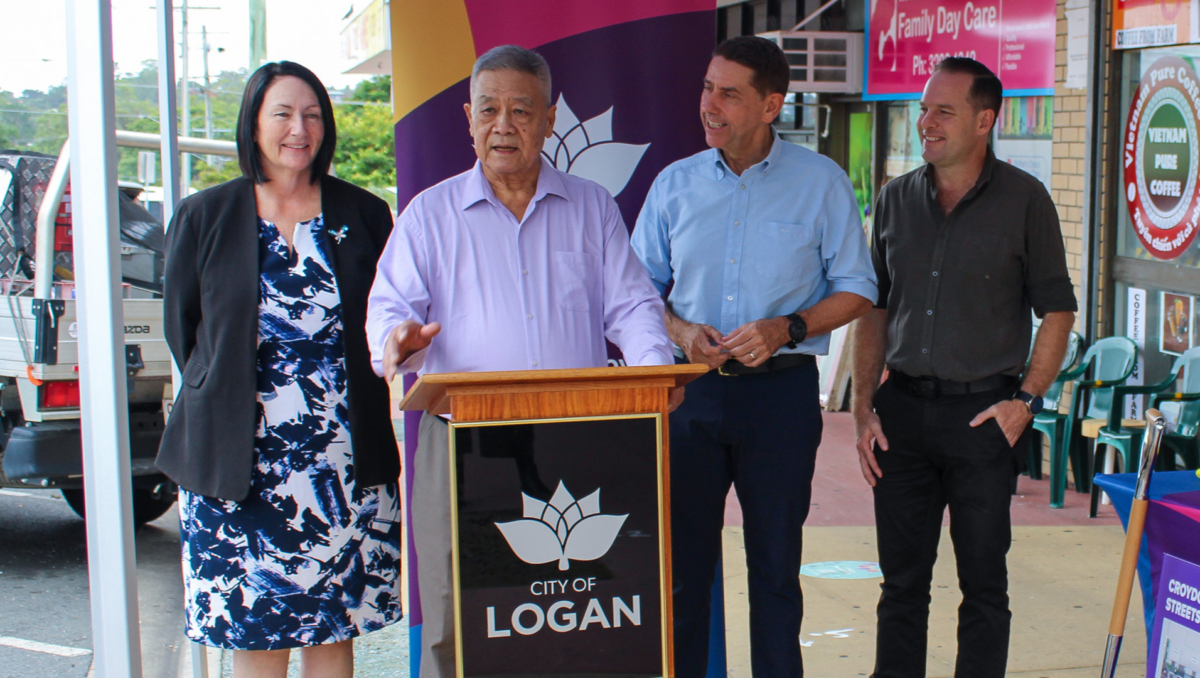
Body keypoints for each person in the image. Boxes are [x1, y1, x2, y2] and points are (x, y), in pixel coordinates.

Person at [365, 45, 676, 678]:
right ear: (468, 118)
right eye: (489, 110)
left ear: (551, 117)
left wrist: (652, 371)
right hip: (462, 444)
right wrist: (396, 343)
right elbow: (389, 311)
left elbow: (634, 306)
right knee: (457, 613)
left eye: (520, 110)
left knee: (574, 604)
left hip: (577, 440)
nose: (503, 124)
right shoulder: (430, 214)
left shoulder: (592, 207)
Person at [631, 36, 877, 678]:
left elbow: (858, 287)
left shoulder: (819, 181)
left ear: (772, 105)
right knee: (682, 576)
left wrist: (787, 327)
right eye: (708, 88)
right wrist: (682, 332)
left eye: (729, 93)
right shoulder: (673, 184)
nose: (710, 105)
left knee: (775, 572)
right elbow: (634, 293)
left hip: (781, 398)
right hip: (690, 396)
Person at [158, 61, 402, 678]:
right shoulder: (204, 215)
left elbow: (385, 313)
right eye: (284, 113)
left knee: (332, 631)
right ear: (254, 123)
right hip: (237, 465)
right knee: (254, 638)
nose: (301, 128)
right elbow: (184, 331)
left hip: (341, 466)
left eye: (314, 114)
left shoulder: (365, 214)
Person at [850, 57, 1077, 678]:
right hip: (901, 417)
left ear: (985, 120)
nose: (926, 121)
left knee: (984, 585)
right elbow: (873, 307)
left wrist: (1026, 401)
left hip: (984, 419)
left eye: (943, 111)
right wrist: (862, 406)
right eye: (924, 109)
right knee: (900, 584)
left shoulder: (1025, 201)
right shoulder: (897, 198)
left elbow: (1057, 311)